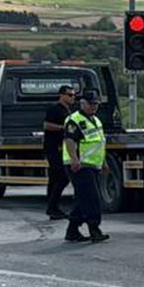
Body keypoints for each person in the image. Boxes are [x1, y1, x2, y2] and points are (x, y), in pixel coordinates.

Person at [63, 90, 110, 243]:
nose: (94, 106)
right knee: (92, 198)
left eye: (96, 104)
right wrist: (74, 159)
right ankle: (94, 229)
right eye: (91, 104)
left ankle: (72, 230)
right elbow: (70, 141)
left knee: (83, 198)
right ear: (82, 103)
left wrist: (103, 162)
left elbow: (99, 143)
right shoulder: (74, 120)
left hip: (92, 164)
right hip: (80, 165)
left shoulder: (95, 120)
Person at [42, 84, 75, 219]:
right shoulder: (55, 108)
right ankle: (52, 207)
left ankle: (52, 208)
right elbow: (46, 125)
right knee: (62, 177)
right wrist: (63, 128)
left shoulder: (68, 110)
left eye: (74, 95)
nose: (73, 97)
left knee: (54, 179)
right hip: (54, 148)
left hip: (62, 148)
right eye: (70, 95)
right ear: (62, 95)